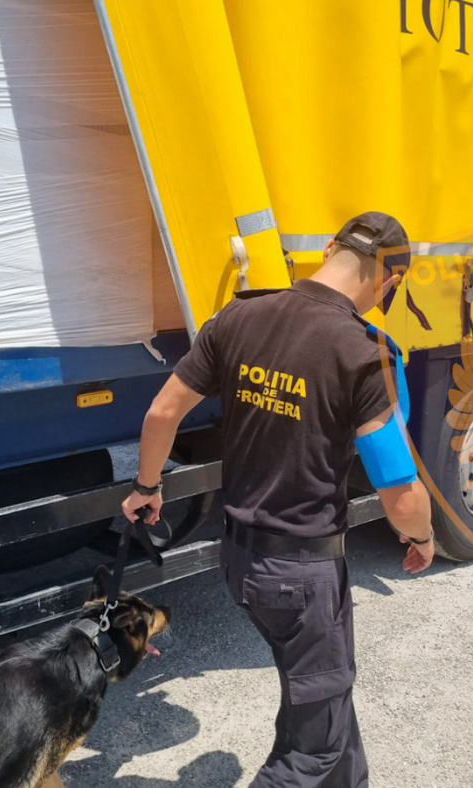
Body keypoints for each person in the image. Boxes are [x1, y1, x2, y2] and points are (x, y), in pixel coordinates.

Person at [120, 212, 435, 787]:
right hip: (301, 576)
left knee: (326, 696)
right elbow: (399, 487)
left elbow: (162, 413)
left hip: (240, 559)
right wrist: (422, 536)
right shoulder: (364, 352)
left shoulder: (240, 315)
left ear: (331, 248)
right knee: (311, 750)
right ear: (390, 281)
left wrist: (146, 487)